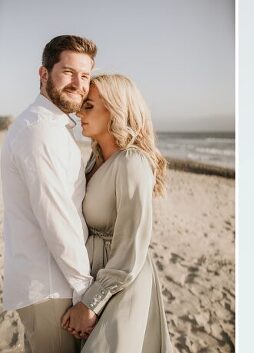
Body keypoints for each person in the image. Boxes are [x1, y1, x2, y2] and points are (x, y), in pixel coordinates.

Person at [60, 73, 173, 352]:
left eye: (89, 105)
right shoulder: (95, 160)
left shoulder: (132, 162)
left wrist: (93, 301)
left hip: (121, 285)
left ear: (115, 109)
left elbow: (132, 242)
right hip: (93, 276)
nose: (79, 111)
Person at [1, 35, 97, 353]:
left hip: (46, 283)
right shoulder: (40, 131)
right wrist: (85, 290)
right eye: (68, 72)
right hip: (53, 287)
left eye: (85, 75)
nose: (78, 83)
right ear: (44, 74)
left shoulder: (48, 126)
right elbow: (57, 218)